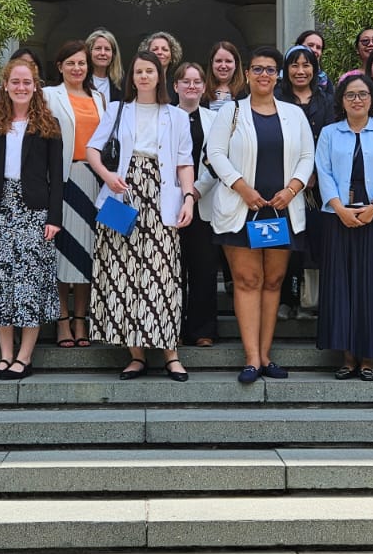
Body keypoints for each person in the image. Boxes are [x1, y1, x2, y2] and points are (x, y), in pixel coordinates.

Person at [206, 44, 315, 385]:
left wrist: (292, 189)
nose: (264, 75)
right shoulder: (232, 112)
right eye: (258, 69)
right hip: (243, 210)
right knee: (247, 281)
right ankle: (251, 357)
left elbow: (307, 156)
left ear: (277, 75)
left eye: (270, 69)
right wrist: (242, 187)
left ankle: (266, 356)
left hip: (281, 211)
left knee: (272, 282)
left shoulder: (293, 113)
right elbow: (216, 153)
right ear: (248, 74)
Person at [87, 50, 195, 380]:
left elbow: (184, 162)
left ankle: (170, 353)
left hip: (161, 200)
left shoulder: (176, 115)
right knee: (123, 275)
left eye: (149, 71)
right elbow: (93, 149)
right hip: (122, 196)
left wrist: (188, 198)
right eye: (138, 71)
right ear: (131, 77)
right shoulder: (119, 110)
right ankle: (136, 355)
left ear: (160, 76)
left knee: (163, 275)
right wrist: (107, 176)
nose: (144, 76)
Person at [0, 57, 64, 380]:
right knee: (1, 283)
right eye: (15, 82)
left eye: (27, 82)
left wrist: (55, 217)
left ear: (35, 86)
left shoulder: (48, 126)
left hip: (34, 213)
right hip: (1, 210)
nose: (21, 87)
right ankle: (5, 355)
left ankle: (24, 357)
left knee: (29, 283)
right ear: (6, 87)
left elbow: (57, 177)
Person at [315, 72, 373, 380]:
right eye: (351, 95)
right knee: (342, 286)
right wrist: (338, 208)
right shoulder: (330, 133)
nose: (357, 100)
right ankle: (347, 356)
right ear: (341, 101)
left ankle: (369, 357)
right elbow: (323, 171)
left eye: (363, 95)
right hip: (339, 218)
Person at [44, 39, 106, 347]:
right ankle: (62, 319)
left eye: (81, 63)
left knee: (88, 254)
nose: (77, 68)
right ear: (60, 67)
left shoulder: (100, 98)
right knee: (62, 252)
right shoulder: (47, 96)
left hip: (94, 181)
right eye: (71, 63)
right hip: (63, 180)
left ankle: (82, 319)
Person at [278, 42, 333, 317]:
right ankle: (286, 298)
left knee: (315, 238)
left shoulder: (327, 100)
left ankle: (312, 301)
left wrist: (314, 172)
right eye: (295, 65)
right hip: (283, 184)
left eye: (306, 64)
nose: (301, 71)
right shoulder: (276, 98)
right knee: (286, 240)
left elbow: (332, 141)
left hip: (319, 186)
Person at [174, 59, 219, 346]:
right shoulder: (164, 117)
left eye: (197, 82)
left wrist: (197, 190)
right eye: (186, 81)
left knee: (203, 269)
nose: (191, 86)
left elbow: (219, 160)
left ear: (204, 87)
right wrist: (179, 193)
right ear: (175, 85)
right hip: (169, 203)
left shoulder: (216, 120)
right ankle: (172, 327)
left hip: (203, 202)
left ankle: (202, 330)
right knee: (172, 269)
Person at [86, 28, 124, 105]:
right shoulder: (80, 80)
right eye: (98, 48)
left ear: (113, 54)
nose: (103, 53)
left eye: (107, 49)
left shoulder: (121, 82)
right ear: (89, 52)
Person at [206, 41, 246, 111]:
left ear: (236, 64)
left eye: (228, 61)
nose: (223, 66)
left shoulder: (246, 91)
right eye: (218, 61)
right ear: (212, 63)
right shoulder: (202, 91)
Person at [144, 30, 182, 102]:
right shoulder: (138, 80)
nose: (160, 52)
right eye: (155, 49)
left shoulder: (178, 84)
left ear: (172, 55)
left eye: (165, 49)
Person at [295, 28, 333, 93]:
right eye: (310, 45)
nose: (314, 50)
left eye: (318, 48)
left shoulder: (325, 81)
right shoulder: (282, 76)